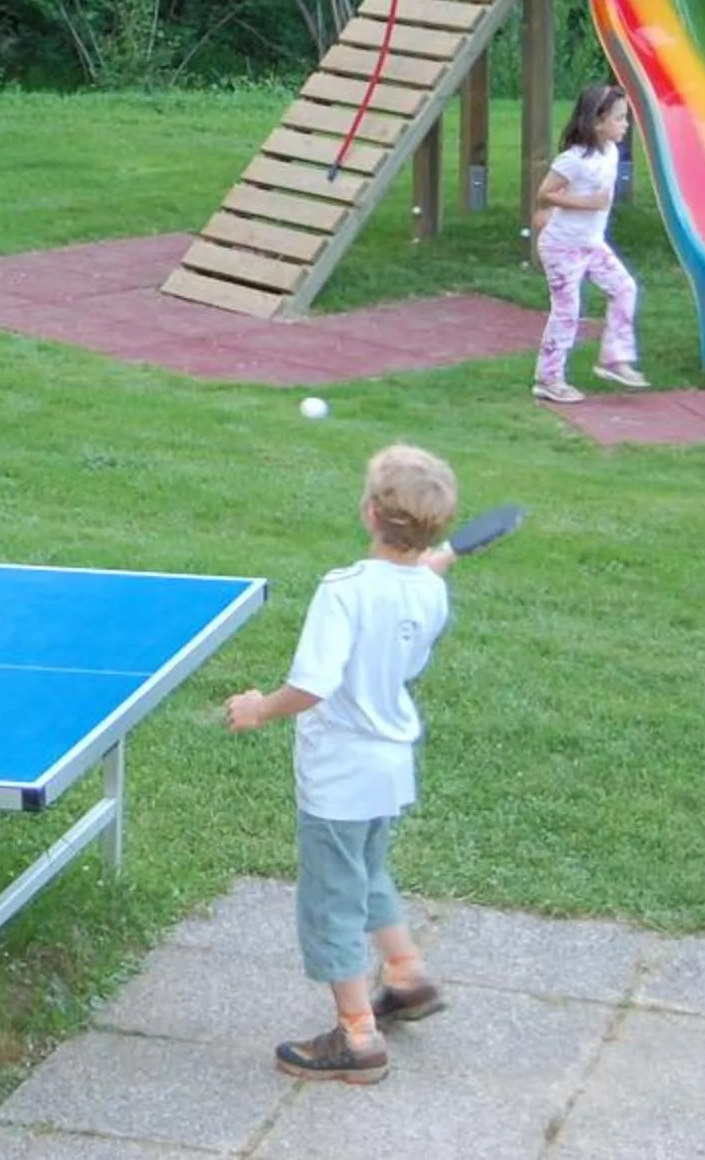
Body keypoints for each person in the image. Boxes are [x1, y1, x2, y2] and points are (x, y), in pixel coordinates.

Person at [224, 443, 462, 1086]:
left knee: (331, 900)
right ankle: (406, 975)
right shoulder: (431, 590)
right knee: (368, 870)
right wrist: (426, 570)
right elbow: (409, 607)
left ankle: (357, 1037)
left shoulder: (344, 591)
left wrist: (258, 709)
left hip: (339, 775)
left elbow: (313, 684)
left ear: (369, 514)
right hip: (389, 768)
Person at [530, 80, 650, 403]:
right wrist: (582, 205)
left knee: (624, 288)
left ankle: (614, 359)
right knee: (567, 312)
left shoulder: (611, 152)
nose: (625, 124)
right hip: (562, 248)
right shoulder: (574, 159)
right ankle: (548, 379)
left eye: (625, 117)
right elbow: (545, 193)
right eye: (619, 118)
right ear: (597, 122)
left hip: (592, 244)